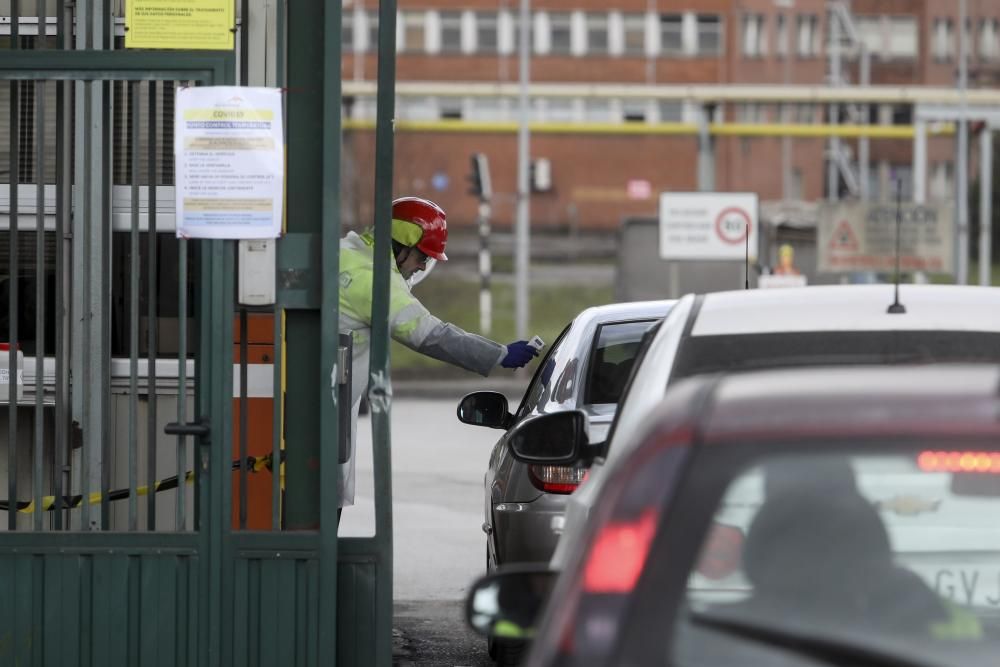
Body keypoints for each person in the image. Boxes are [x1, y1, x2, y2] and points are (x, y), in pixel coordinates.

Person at [336, 196, 539, 510]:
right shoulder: (375, 279)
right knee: (321, 510)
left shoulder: (348, 253)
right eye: (422, 257)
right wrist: (497, 354)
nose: (421, 266)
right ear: (403, 243)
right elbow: (430, 335)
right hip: (327, 409)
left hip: (318, 400)